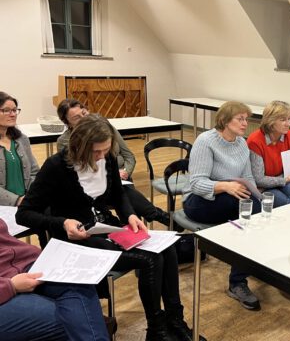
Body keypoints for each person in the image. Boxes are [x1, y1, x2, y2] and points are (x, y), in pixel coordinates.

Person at [16, 114, 202, 341]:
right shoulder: (56, 166)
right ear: (79, 147)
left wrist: (130, 215)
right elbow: (24, 214)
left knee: (168, 248)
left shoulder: (109, 159)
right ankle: (156, 329)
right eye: (96, 152)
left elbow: (118, 194)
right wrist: (62, 222)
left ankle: (174, 320)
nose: (101, 156)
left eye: (105, 150)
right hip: (76, 239)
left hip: (105, 228)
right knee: (151, 260)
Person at [183, 101, 262, 311]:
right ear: (225, 120)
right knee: (246, 212)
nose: (245, 123)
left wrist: (260, 199)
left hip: (230, 197)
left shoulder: (241, 143)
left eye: (247, 119)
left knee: (259, 210)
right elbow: (196, 183)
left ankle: (247, 264)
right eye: (240, 119)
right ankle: (237, 283)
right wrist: (225, 185)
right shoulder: (206, 141)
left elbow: (247, 177)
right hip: (198, 200)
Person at [56, 98, 172, 228]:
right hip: (93, 186)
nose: (83, 118)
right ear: (67, 123)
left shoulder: (105, 129)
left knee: (124, 192)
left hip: (122, 178)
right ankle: (157, 217)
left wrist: (126, 172)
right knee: (125, 195)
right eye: (77, 118)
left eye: (84, 113)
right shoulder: (65, 141)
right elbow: (76, 173)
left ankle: (137, 226)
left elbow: (129, 157)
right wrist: (112, 174)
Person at [0, 218, 109, 341]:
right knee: (76, 322)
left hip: (26, 264)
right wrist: (11, 286)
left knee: (77, 281)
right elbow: (26, 213)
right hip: (9, 285)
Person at [246, 100, 290, 207]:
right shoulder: (255, 141)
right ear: (270, 121)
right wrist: (286, 179)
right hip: (263, 186)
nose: (288, 124)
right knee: (283, 201)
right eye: (283, 120)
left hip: (282, 180)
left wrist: (286, 179)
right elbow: (259, 180)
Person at [0, 92, 39, 207]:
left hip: (27, 202)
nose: (13, 114)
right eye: (6, 110)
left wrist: (31, 196)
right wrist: (17, 200)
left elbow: (34, 172)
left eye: (15, 110)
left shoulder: (22, 139)